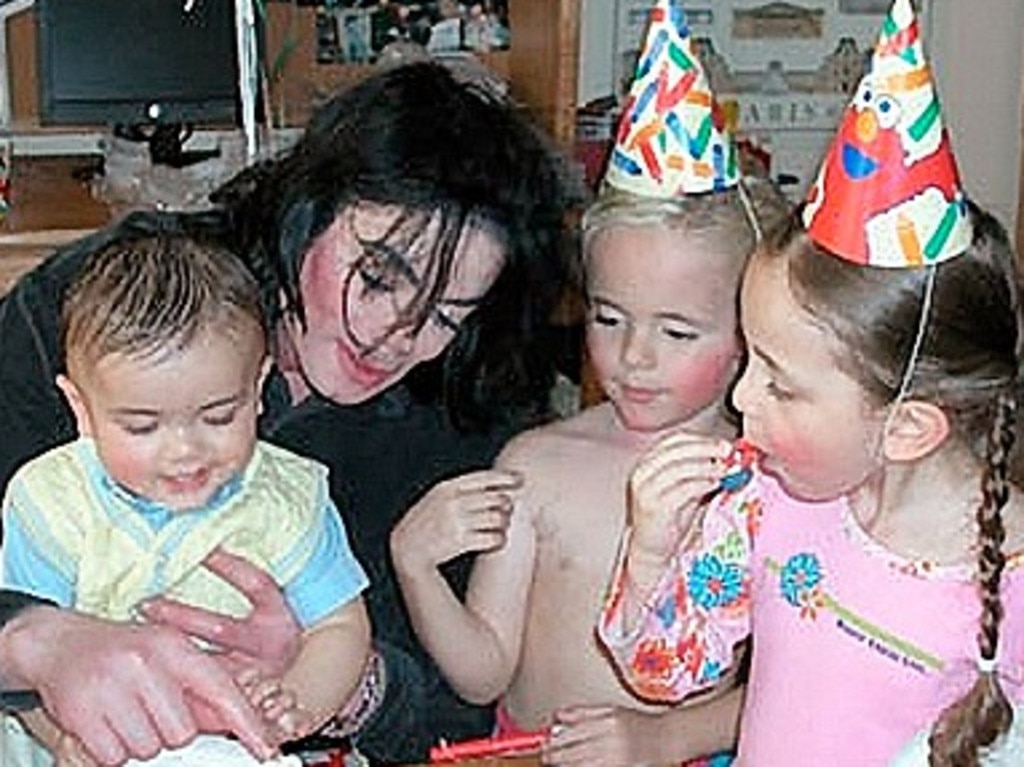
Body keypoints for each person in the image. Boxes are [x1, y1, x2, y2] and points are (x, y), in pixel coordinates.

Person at [0, 60, 580, 764]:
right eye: (376, 277)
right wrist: (34, 642)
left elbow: (463, 709)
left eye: (445, 317)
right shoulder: (118, 304)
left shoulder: (469, 414)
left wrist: (336, 678)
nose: (392, 333)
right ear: (311, 207)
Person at [599, 1, 1024, 763]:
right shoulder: (763, 503)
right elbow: (666, 673)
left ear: (907, 426)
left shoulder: (1011, 589)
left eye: (781, 384)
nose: (738, 399)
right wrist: (654, 552)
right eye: (750, 358)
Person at [391, 4, 788, 765]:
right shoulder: (534, 464)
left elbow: (794, 680)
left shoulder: (771, 486)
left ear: (749, 333)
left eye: (677, 332)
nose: (634, 356)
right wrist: (415, 561)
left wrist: (662, 736)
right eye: (609, 318)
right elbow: (483, 673)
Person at [0, 231, 371, 766]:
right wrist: (62, 739)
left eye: (220, 416)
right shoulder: (50, 501)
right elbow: (30, 665)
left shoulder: (286, 499)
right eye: (142, 426)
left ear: (258, 385)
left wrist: (297, 705)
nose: (185, 452)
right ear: (80, 408)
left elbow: (340, 627)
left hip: (233, 742)